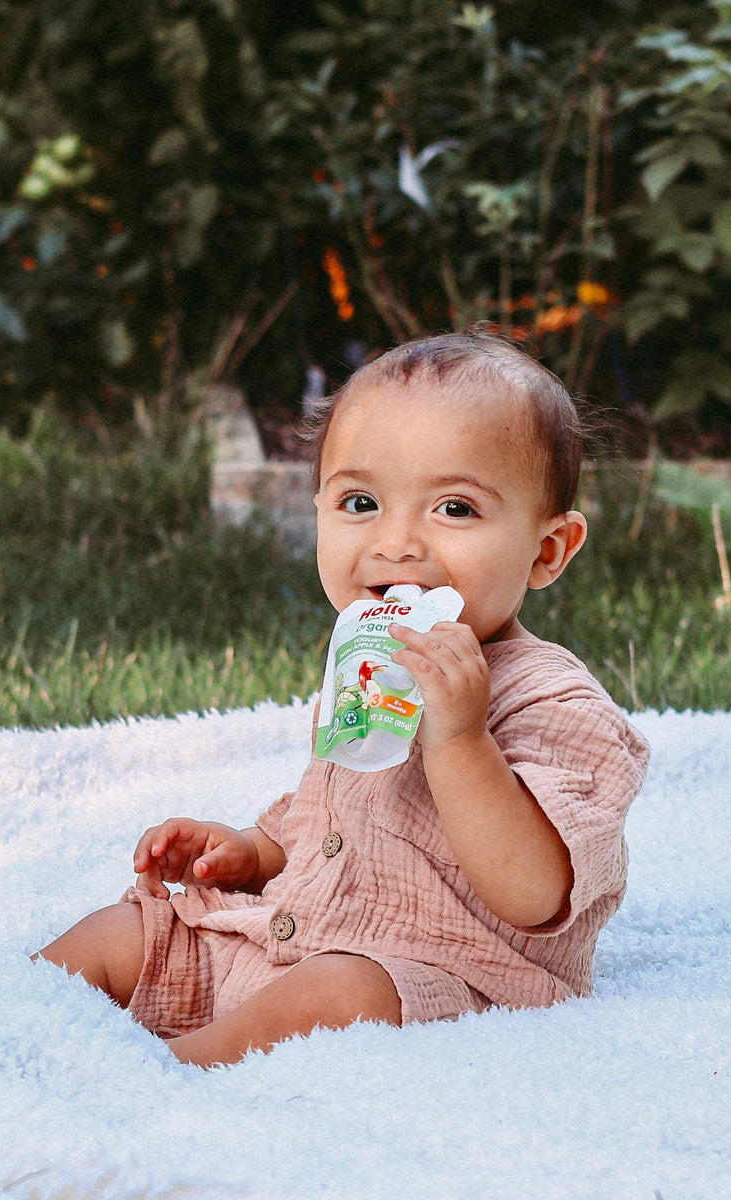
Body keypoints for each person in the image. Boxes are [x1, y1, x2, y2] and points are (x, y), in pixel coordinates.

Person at [37, 327, 650, 1068]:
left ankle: (166, 1076)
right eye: (360, 501)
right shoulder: (366, 661)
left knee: (338, 993)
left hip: (432, 980)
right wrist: (248, 854)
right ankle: (5, 1027)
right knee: (120, 933)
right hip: (292, 933)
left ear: (547, 550)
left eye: (454, 509)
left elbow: (534, 892)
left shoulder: (556, 704)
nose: (396, 544)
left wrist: (460, 741)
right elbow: (326, 819)